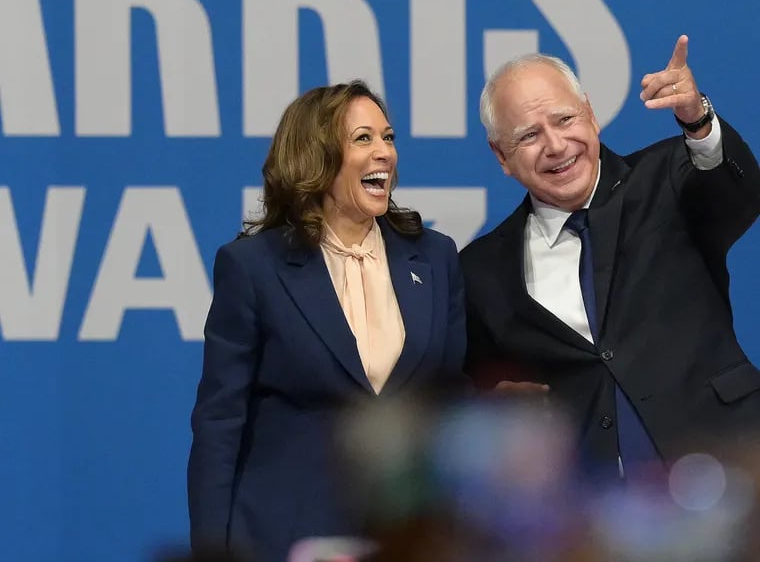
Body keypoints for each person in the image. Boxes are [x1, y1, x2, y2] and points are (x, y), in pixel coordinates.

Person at [188, 80, 466, 562]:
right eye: (363, 139)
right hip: (288, 537)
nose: (384, 152)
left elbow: (453, 401)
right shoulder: (254, 268)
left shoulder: (435, 258)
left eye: (389, 137)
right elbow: (220, 422)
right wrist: (212, 551)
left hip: (407, 539)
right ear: (315, 156)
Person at [461, 35, 760, 479]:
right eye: (528, 135)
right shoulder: (481, 270)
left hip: (727, 468)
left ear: (591, 115)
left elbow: (738, 195)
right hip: (588, 518)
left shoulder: (669, 177)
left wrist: (697, 121)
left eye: (564, 119)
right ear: (501, 156)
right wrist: (490, 403)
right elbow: (467, 390)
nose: (557, 146)